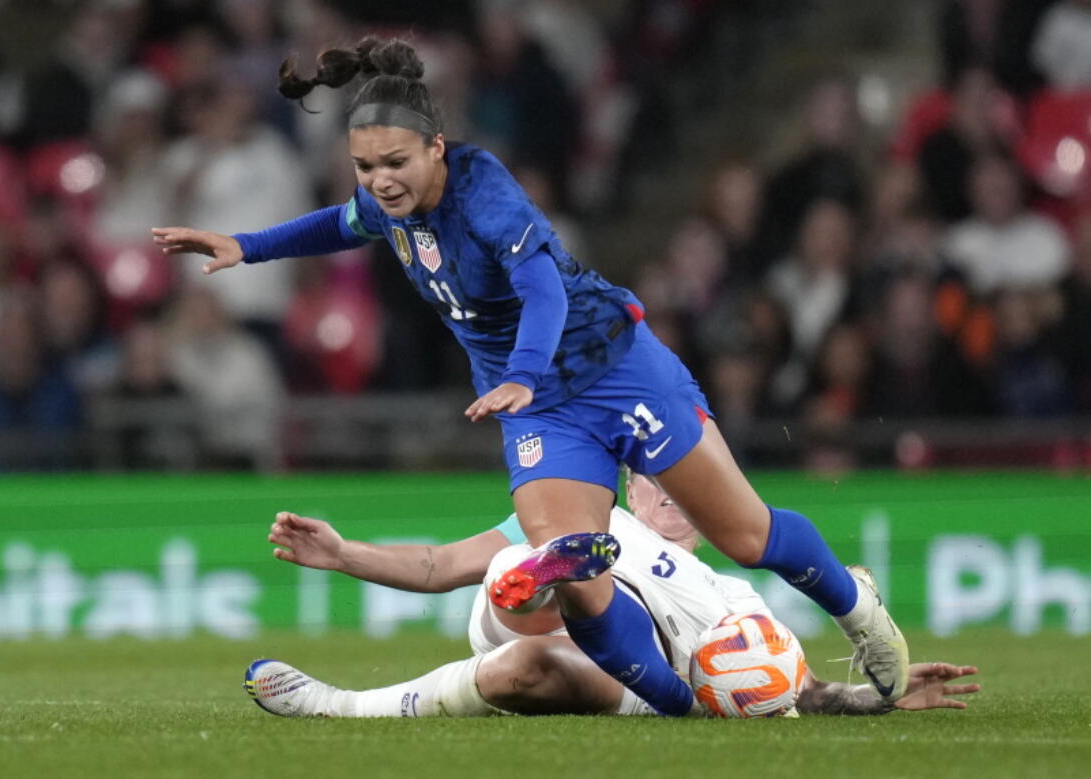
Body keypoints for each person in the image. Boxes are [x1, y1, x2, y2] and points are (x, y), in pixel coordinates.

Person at [152, 36, 909, 717]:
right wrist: (245, 247)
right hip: (542, 410)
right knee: (572, 570)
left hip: (614, 368)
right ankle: (680, 702)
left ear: (437, 148)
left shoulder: (484, 192)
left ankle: (858, 607)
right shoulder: (389, 206)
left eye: (394, 163)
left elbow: (542, 286)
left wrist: (520, 371)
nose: (379, 181)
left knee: (745, 535)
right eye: (365, 166)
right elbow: (338, 224)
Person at [246, 469, 978, 718]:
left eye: (696, 488)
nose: (679, 498)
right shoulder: (602, 515)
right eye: (664, 481)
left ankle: (338, 703)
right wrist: (343, 555)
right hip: (539, 599)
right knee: (564, 565)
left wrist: (877, 693)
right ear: (634, 482)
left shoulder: (734, 595)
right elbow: (439, 564)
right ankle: (547, 583)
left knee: (529, 668)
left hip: (625, 677)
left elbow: (795, 688)